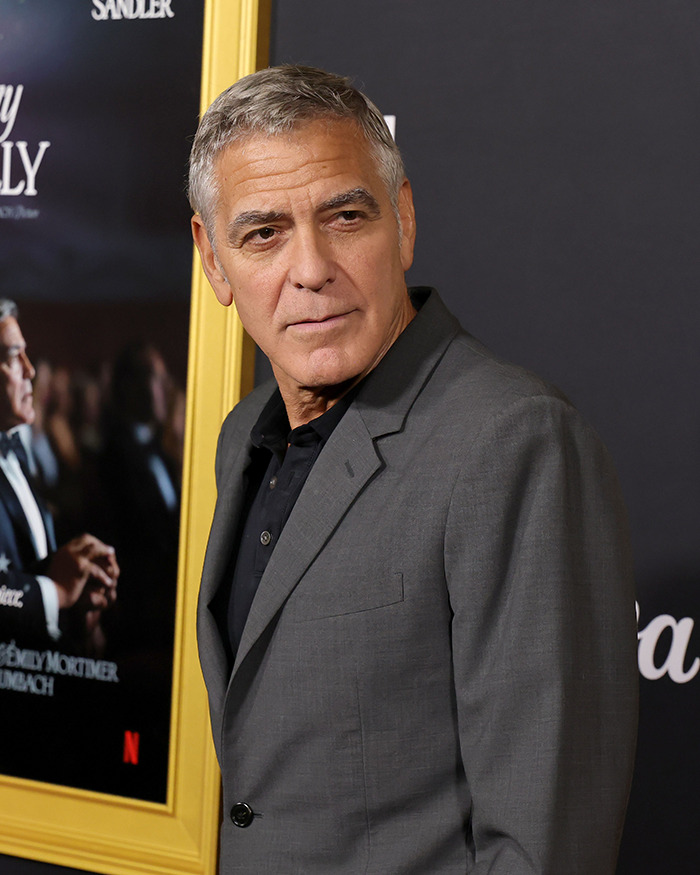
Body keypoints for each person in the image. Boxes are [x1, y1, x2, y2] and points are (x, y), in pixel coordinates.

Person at [189, 65, 638, 874]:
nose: (311, 267)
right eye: (263, 234)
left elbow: (546, 849)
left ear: (402, 218)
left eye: (345, 215)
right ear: (213, 260)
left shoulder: (513, 443)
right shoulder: (238, 438)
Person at [0, 299, 118, 651]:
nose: (30, 370)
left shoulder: (15, 451)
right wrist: (55, 593)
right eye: (12, 356)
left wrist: (79, 590)